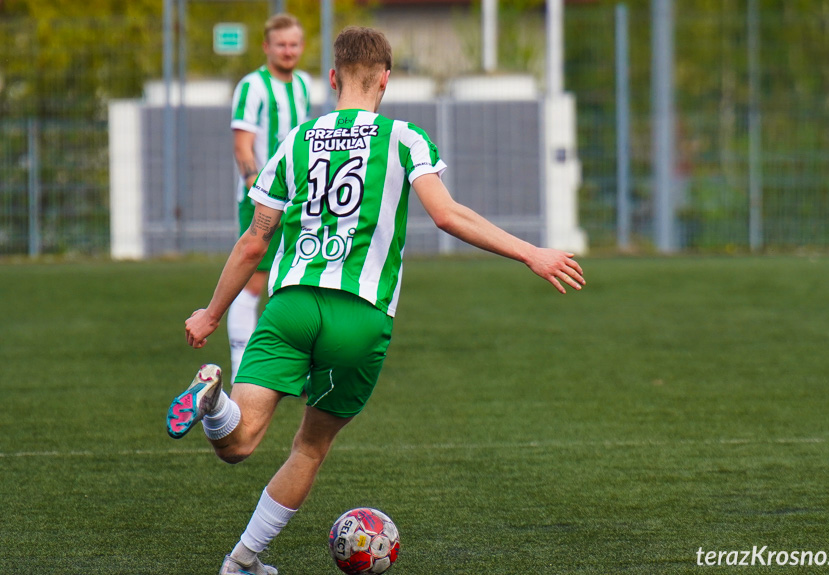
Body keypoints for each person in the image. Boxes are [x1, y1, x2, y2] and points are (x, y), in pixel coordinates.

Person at [166, 26, 586, 575]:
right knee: (309, 448)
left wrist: (211, 312)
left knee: (238, 440)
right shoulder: (405, 138)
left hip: (290, 303)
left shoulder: (295, 139)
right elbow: (447, 215)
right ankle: (243, 560)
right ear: (384, 80)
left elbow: (254, 241)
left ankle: (212, 399)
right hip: (359, 317)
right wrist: (531, 252)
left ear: (335, 77)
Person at [228, 13, 311, 384]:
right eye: (281, 44)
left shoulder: (304, 85)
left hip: (299, 200)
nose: (288, 50)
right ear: (267, 47)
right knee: (254, 283)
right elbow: (242, 145)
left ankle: (291, 368)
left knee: (296, 280)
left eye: (294, 44)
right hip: (262, 199)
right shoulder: (253, 87)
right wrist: (253, 181)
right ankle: (240, 370)